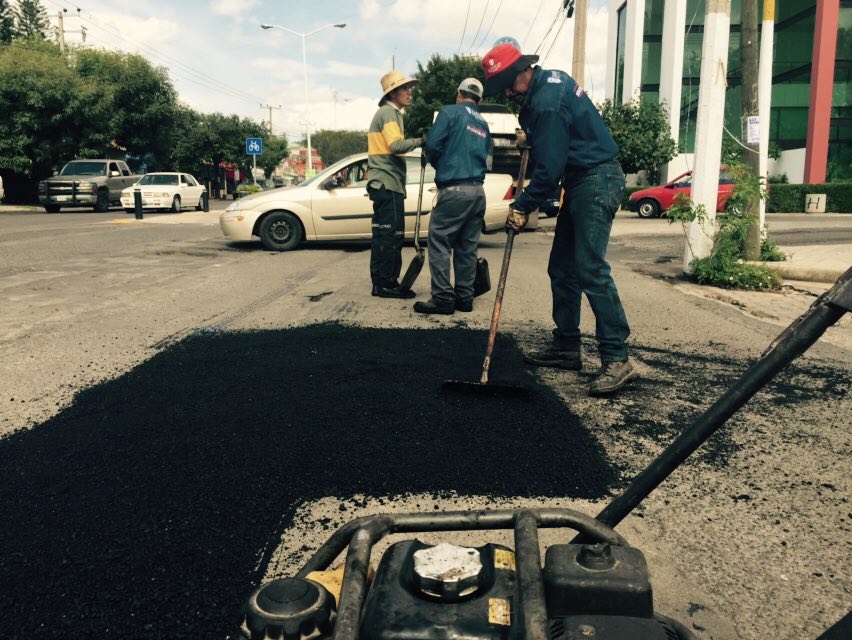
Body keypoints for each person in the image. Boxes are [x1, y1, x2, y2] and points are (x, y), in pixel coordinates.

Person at [481, 43, 636, 396]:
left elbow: (549, 171)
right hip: (583, 178)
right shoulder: (551, 82)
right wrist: (532, 136)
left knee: (590, 268)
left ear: (524, 69)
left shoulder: (546, 103)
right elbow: (557, 143)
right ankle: (567, 347)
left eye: (507, 82)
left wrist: (522, 205)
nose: (506, 92)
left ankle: (617, 358)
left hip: (595, 179)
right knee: (563, 269)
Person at [414, 78, 491, 315]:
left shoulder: (449, 113)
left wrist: (438, 162)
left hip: (454, 189)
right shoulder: (484, 124)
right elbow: (487, 159)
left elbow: (433, 146)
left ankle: (443, 299)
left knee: (439, 243)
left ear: (459, 94)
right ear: (480, 100)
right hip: (478, 191)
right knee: (467, 248)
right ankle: (464, 298)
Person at [367, 70, 423, 299]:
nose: (410, 92)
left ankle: (383, 282)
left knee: (384, 235)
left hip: (386, 184)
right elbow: (396, 146)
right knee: (391, 237)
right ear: (393, 92)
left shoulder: (389, 113)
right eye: (405, 88)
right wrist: (421, 141)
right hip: (387, 184)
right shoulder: (389, 113)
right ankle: (386, 284)